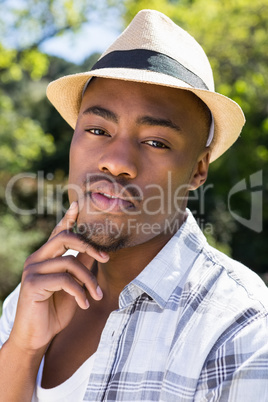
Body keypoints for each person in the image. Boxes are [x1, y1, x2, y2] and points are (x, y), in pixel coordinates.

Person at [0, 9, 267, 402]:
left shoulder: (239, 330)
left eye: (156, 141)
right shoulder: (34, 294)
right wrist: (23, 349)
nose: (117, 161)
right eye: (96, 130)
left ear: (198, 169)